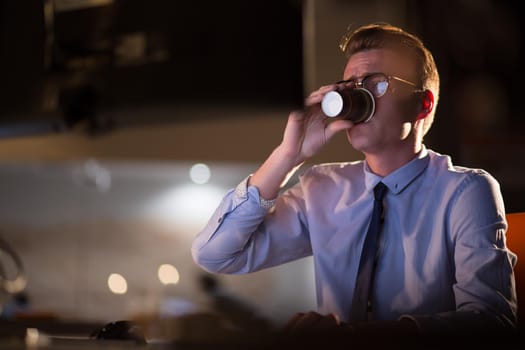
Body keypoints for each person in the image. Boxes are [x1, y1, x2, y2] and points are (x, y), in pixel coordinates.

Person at [191, 23, 517, 339]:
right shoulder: (322, 187)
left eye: (375, 83)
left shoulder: (464, 192)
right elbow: (216, 255)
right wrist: (289, 156)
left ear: (422, 104)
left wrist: (354, 337)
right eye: (350, 86)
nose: (357, 97)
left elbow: (491, 321)